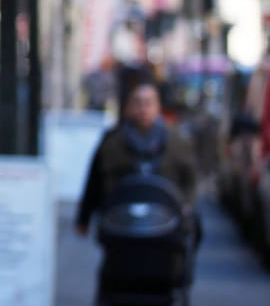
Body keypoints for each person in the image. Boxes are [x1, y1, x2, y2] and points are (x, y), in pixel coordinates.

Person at [74, 79, 200, 237]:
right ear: (129, 107)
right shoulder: (112, 141)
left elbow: (190, 179)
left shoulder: (177, 141)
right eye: (138, 103)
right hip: (121, 224)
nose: (143, 109)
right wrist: (83, 219)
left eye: (148, 103)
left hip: (166, 225)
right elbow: (94, 181)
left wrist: (186, 207)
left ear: (157, 107)